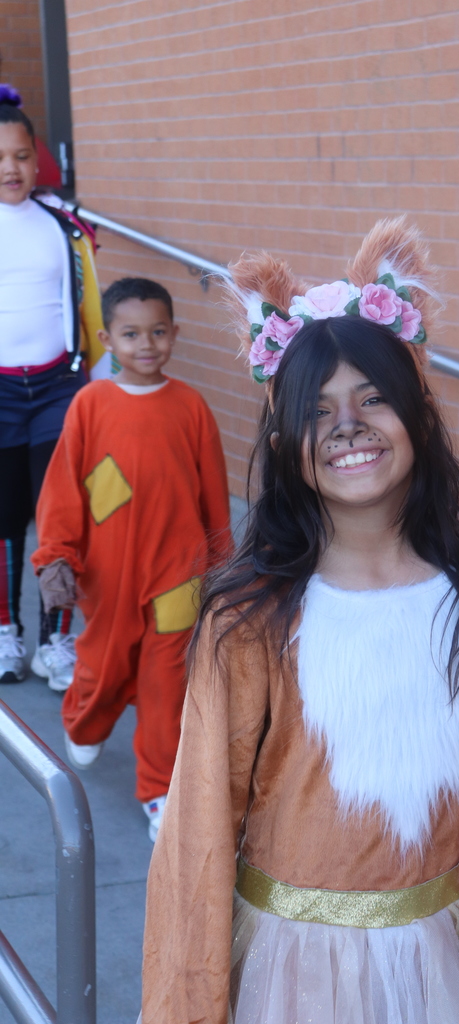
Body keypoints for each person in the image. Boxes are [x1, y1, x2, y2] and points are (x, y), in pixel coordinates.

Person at [140, 220, 459, 1023]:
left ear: (419, 415)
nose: (348, 426)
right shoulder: (253, 610)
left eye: (374, 398)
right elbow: (198, 825)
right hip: (293, 968)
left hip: (442, 957)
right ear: (283, 439)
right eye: (320, 409)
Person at [31, 277, 233, 841]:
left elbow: (213, 492)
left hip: (179, 571)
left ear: (174, 334)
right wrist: (55, 557)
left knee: (167, 679)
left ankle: (159, 789)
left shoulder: (191, 405)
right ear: (107, 338)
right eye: (131, 333)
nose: (147, 344)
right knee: (105, 660)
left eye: (159, 332)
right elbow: (64, 488)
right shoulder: (90, 405)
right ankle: (85, 717)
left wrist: (221, 563)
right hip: (109, 571)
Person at [0, 84, 106, 690]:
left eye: (20, 155)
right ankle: (6, 632)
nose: (11, 169)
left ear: (35, 156)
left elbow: (89, 300)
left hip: (60, 386)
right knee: (5, 515)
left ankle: (57, 639)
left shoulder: (62, 225)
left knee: (61, 515)